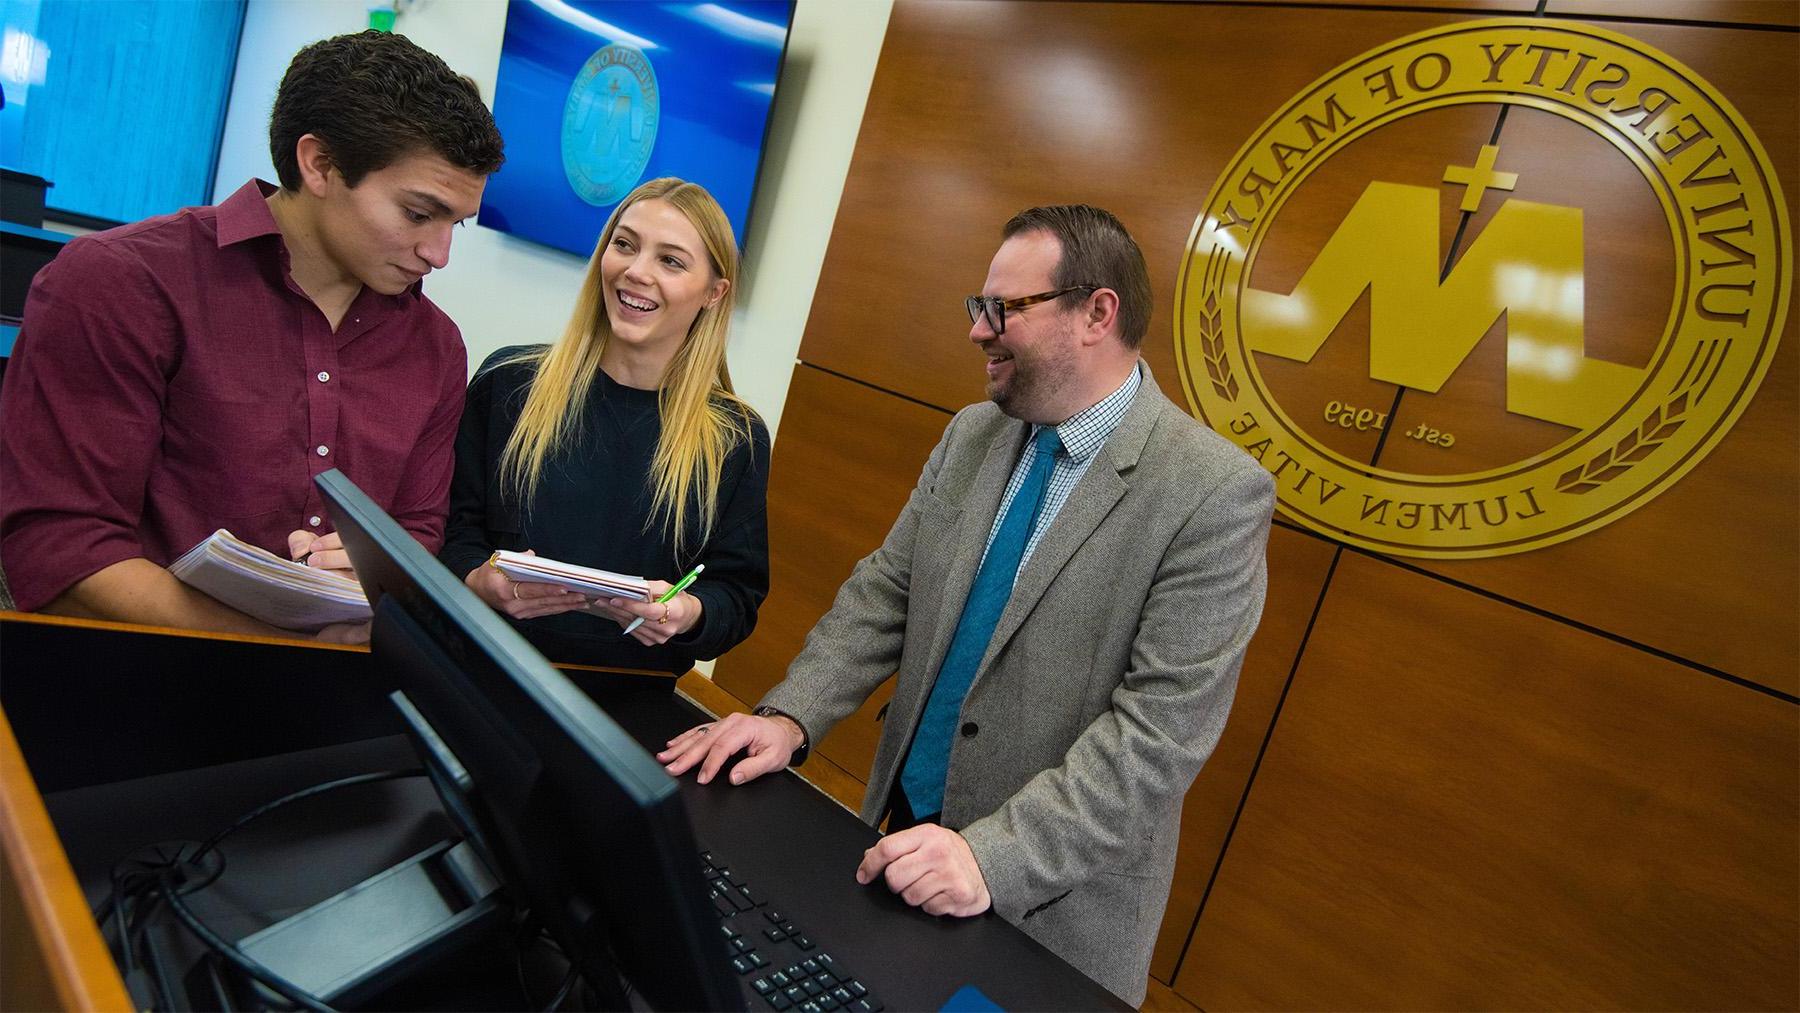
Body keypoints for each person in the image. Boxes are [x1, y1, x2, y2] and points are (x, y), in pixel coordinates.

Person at [658, 205, 1275, 1003]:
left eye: (1004, 309)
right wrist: (789, 717)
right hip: (903, 842)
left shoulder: (1213, 494)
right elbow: (888, 592)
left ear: (1097, 312)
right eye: (978, 307)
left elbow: (1156, 737)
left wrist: (993, 858)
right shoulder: (972, 434)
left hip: (1048, 910)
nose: (978, 331)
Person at [0, 31, 504, 640]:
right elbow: (64, 551)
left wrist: (379, 569)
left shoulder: (435, 347)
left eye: (457, 224)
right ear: (318, 164)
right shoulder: (124, 283)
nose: (439, 253)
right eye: (419, 214)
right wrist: (284, 642)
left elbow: (419, 530)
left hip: (336, 691)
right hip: (131, 679)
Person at [439, 178, 769, 676]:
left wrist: (685, 613)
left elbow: (735, 598)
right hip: (483, 668)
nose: (636, 272)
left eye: (671, 261)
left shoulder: (734, 438)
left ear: (714, 293)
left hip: (628, 694)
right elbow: (449, 533)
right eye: (624, 245)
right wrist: (477, 581)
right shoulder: (507, 384)